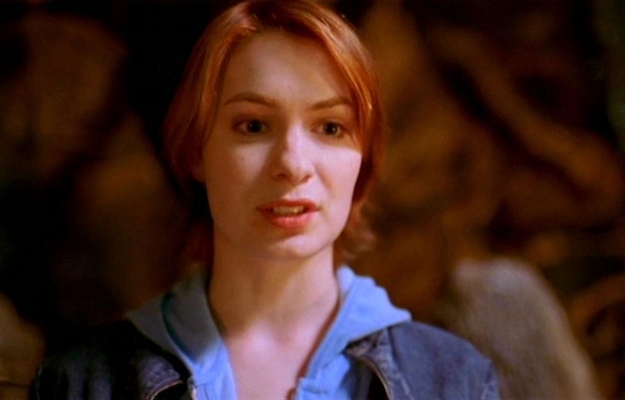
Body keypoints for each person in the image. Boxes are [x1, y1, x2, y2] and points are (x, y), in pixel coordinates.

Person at [31, 0, 499, 398]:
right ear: (196, 151)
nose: (293, 163)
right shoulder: (83, 382)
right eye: (253, 126)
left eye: (330, 127)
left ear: (364, 158)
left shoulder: (453, 379)